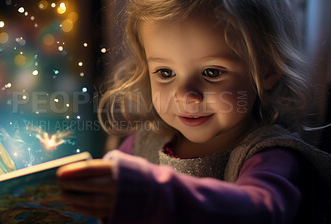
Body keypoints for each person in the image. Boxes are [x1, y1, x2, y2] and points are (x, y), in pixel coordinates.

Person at [56, 0, 331, 223]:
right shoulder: (142, 143)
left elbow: (262, 211)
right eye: (165, 72)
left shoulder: (271, 154)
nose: (185, 94)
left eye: (211, 72)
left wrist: (152, 195)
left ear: (267, 69)